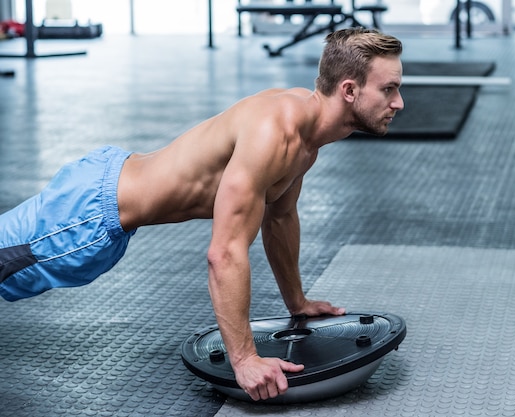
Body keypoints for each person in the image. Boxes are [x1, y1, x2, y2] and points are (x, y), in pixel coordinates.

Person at [0, 27, 404, 400]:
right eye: (388, 89)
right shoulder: (275, 134)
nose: (398, 102)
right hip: (86, 218)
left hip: (105, 188)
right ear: (349, 90)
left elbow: (279, 218)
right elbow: (224, 252)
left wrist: (297, 301)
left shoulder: (305, 132)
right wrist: (244, 360)